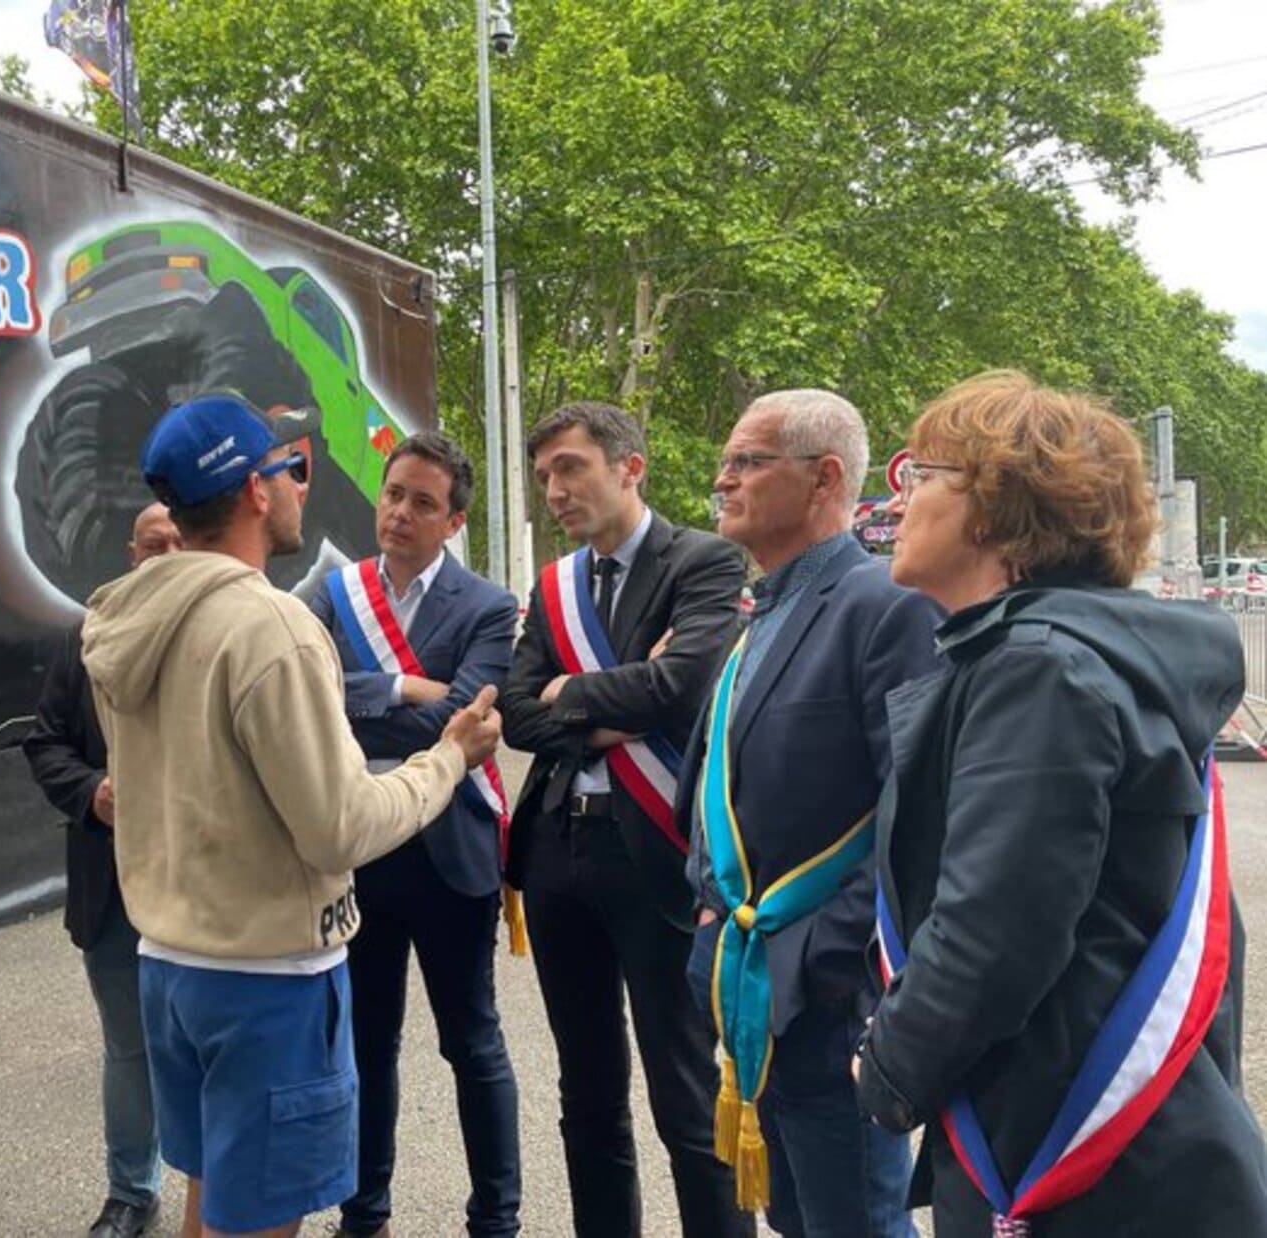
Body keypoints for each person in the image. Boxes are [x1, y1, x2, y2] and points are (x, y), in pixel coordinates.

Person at [853, 371, 1267, 1237]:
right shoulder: (1073, 651)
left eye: (920, 473)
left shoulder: (1038, 666)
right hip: (1112, 1137)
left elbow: (994, 929)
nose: (900, 496)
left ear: (996, 509)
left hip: (1078, 1153)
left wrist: (887, 1069)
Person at [81, 391, 503, 1238]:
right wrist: (450, 755)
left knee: (212, 1197)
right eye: (294, 469)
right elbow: (339, 827)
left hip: (169, 960)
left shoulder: (121, 613)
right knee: (262, 1217)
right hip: (264, 978)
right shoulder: (272, 625)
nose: (305, 486)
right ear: (255, 491)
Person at [678, 391, 939, 1236]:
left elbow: (916, 808)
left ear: (826, 478)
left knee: (853, 1223)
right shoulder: (763, 610)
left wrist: (832, 955)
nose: (724, 480)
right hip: (752, 981)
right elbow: (719, 784)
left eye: (748, 462)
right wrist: (711, 904)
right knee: (796, 1218)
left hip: (825, 998)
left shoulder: (885, 607)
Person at [501, 401, 752, 1238]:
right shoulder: (552, 584)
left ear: (629, 466)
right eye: (544, 477)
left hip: (658, 852)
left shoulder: (706, 562)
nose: (555, 490)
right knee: (587, 1094)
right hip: (556, 853)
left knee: (684, 1092)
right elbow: (513, 712)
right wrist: (611, 705)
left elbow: (681, 685)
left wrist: (566, 696)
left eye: (570, 468)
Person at [308, 431, 522, 1238]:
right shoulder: (333, 593)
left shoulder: (489, 607)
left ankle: (495, 1218)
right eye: (394, 494)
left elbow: (464, 718)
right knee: (365, 1046)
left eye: (423, 503)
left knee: (473, 1045)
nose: (400, 512)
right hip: (359, 852)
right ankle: (363, 1214)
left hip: (449, 853)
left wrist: (373, 709)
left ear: (453, 520)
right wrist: (398, 684)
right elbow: (309, 698)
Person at [24, 501, 182, 1238]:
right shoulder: (86, 639)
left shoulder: (233, 634)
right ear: (130, 553)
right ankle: (131, 1192)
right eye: (154, 545)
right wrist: (92, 793)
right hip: (112, 884)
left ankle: (222, 1193)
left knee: (213, 1045)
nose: (167, 555)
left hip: (206, 887)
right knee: (129, 1047)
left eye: (181, 541)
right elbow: (46, 742)